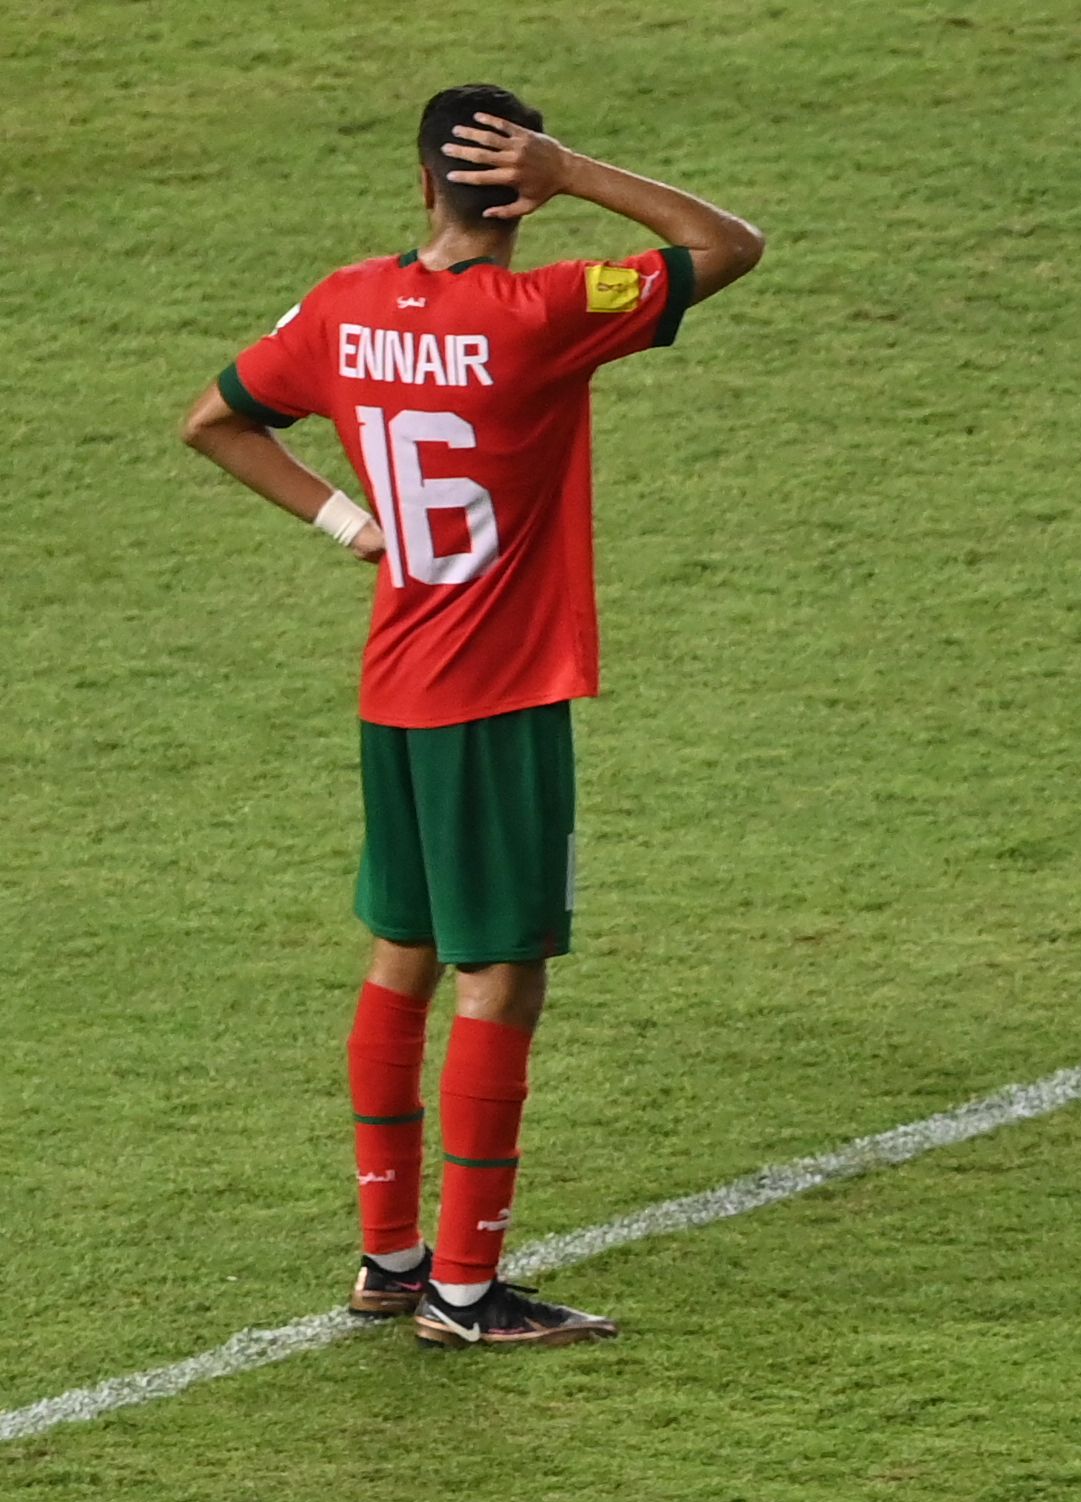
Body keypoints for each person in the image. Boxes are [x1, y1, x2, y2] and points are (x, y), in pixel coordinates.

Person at [180, 85, 762, 1345]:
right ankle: (463, 1293)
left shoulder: (341, 309)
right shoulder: (543, 314)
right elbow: (731, 246)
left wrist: (349, 524)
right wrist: (581, 170)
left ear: (420, 185)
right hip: (496, 696)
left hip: (393, 684)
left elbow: (216, 419)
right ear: (522, 192)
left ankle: (390, 1261)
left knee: (402, 956)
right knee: (500, 975)